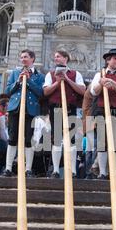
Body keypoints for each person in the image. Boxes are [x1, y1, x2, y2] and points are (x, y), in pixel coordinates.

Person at [43, 49, 85, 178]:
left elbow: (83, 90)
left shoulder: (75, 74)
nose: (56, 59)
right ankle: (55, 170)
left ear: (65, 58)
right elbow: (46, 92)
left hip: (70, 108)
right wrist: (57, 82)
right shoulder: (50, 74)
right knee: (56, 139)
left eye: (58, 56)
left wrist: (66, 79)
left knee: (71, 140)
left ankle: (72, 170)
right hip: (55, 108)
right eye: (55, 57)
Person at [4, 49, 45, 177]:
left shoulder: (40, 76)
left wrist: (29, 81)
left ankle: (28, 169)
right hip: (15, 108)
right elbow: (8, 91)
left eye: (25, 57)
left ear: (32, 59)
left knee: (29, 140)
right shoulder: (15, 73)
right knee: (12, 138)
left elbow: (41, 93)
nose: (23, 59)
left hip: (31, 110)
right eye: (21, 57)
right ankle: (8, 168)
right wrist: (18, 82)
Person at [90, 48, 116, 179]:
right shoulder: (98, 75)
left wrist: (112, 82)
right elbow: (94, 92)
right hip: (102, 112)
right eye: (115, 58)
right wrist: (101, 84)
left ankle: (115, 173)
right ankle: (102, 172)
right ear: (108, 60)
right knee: (102, 143)